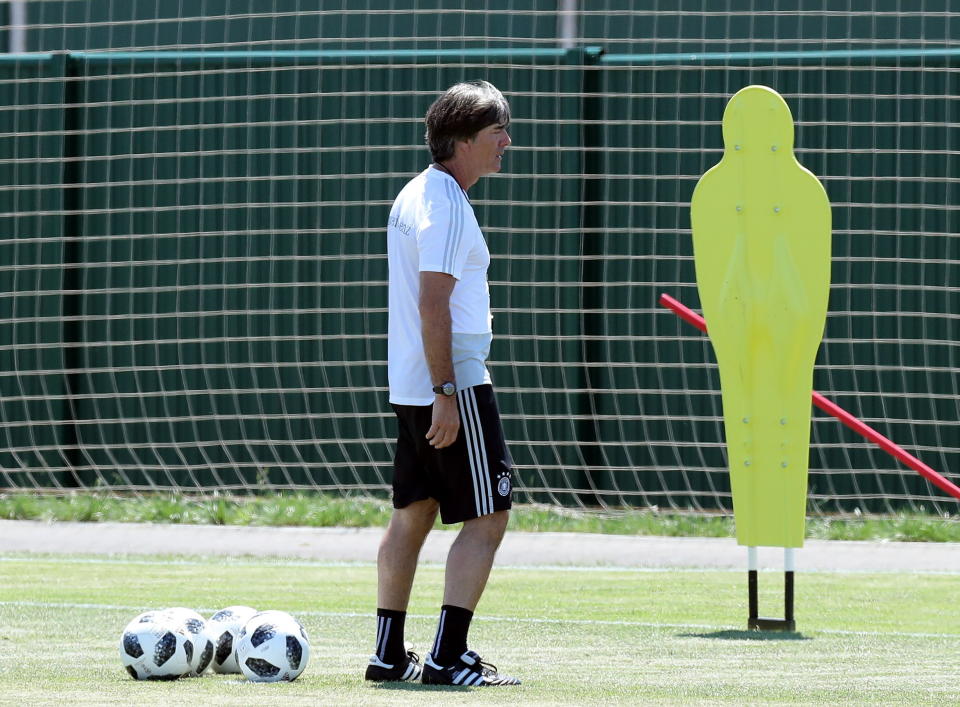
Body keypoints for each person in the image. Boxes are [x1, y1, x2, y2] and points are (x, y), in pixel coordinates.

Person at [364, 80, 520, 687]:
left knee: (413, 516)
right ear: (460, 141)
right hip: (447, 387)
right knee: (488, 518)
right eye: (496, 132)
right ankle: (449, 658)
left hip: (412, 386)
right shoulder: (448, 203)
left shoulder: (416, 193)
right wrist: (447, 392)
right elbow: (434, 306)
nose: (507, 141)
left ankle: (387, 656)